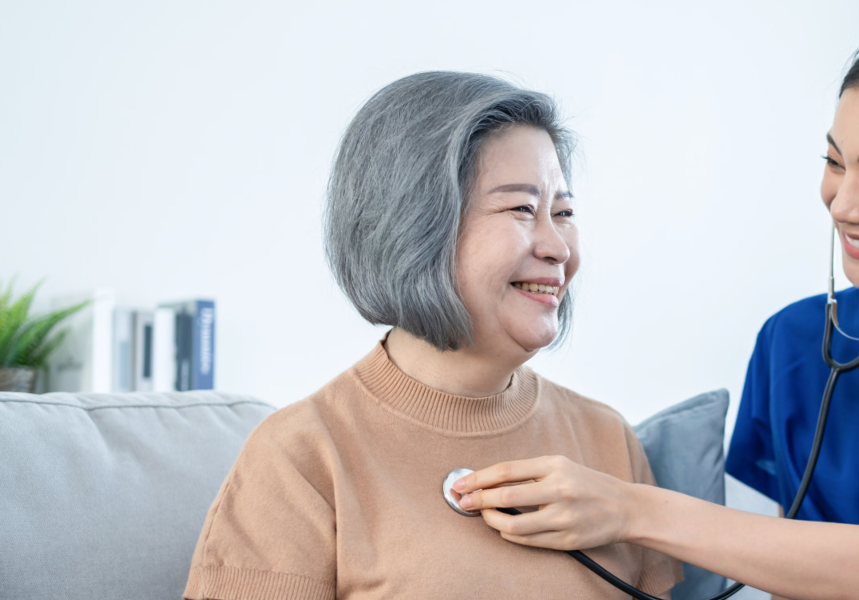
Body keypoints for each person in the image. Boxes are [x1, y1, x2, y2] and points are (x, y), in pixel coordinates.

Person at [451, 15, 859, 600]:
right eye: (834, 162)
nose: (844, 203)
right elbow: (759, 551)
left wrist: (623, 508)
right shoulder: (795, 339)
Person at [182, 71, 682, 600]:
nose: (558, 247)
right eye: (522, 209)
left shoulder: (608, 440)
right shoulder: (300, 457)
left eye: (564, 213)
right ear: (415, 225)